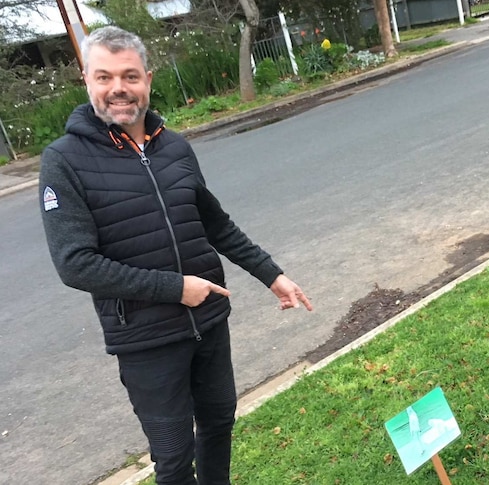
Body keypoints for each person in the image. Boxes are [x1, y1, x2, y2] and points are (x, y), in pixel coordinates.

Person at [39, 26, 313, 485]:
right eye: (104, 77)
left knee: (219, 422)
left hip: (208, 321)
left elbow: (214, 223)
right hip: (145, 339)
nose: (118, 89)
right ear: (86, 80)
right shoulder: (63, 160)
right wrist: (176, 289)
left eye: (129, 76)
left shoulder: (175, 147)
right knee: (172, 456)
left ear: (147, 79)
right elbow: (75, 263)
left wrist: (272, 275)